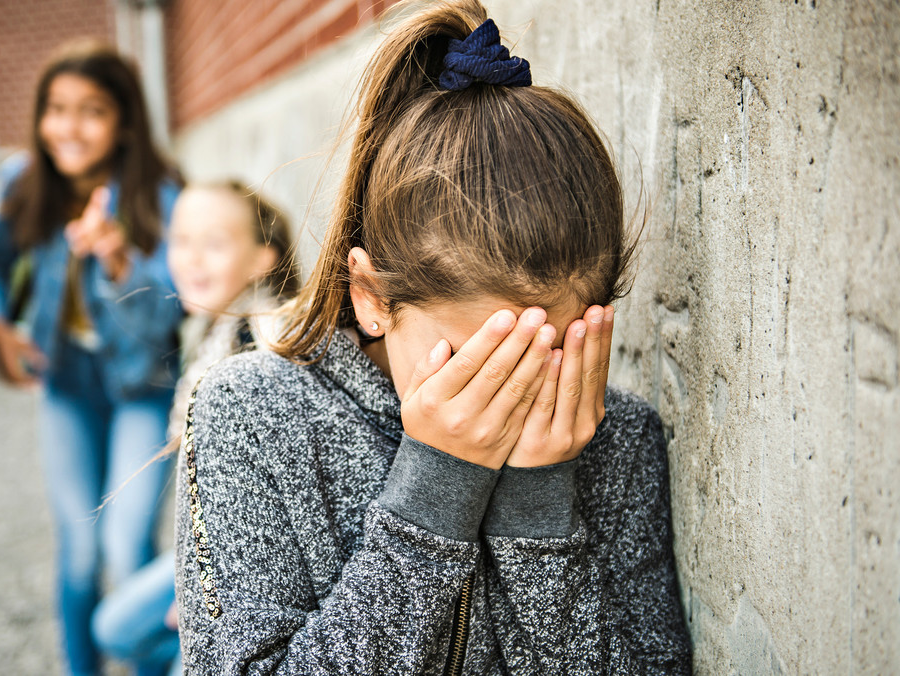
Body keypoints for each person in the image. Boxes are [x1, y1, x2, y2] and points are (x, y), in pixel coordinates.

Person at [174, 2, 693, 674]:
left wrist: (539, 508)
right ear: (372, 298)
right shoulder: (250, 416)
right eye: (477, 361)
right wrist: (434, 494)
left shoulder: (615, 442)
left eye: (546, 355)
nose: (507, 395)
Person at [0, 39, 182, 676]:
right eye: (56, 109)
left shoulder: (159, 192)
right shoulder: (21, 183)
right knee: (81, 553)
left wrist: (119, 259)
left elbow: (172, 313)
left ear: (123, 122)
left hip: (142, 386)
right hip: (67, 385)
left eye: (91, 110)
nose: (69, 127)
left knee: (126, 546)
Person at [92, 181, 300, 676]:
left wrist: (204, 593)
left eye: (214, 243)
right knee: (114, 629)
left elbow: (268, 496)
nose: (192, 259)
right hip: (210, 548)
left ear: (261, 259)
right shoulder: (214, 330)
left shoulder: (265, 341)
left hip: (250, 566)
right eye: (180, 241)